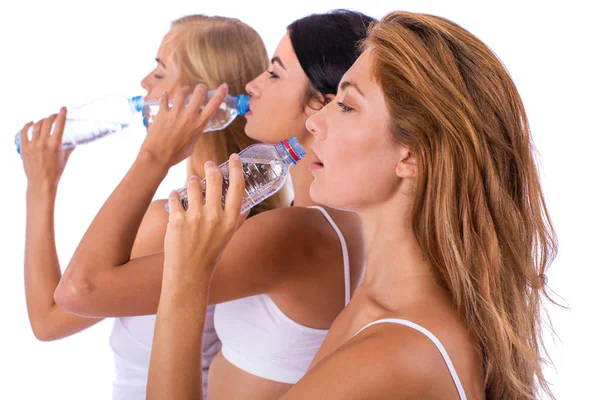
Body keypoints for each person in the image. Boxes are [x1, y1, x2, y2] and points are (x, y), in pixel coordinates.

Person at [147, 10, 558, 400]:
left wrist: (186, 277)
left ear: (411, 156)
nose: (315, 122)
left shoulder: (396, 351)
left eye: (346, 106)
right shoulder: (374, 304)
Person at [55, 9, 376, 400]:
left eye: (274, 73)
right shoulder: (335, 220)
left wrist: (154, 157)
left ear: (320, 106)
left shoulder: (294, 233)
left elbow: (79, 291)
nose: (253, 85)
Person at [18, 14, 282, 400]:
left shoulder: (174, 221)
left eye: (160, 72)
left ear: (206, 100)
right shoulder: (258, 201)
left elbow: (48, 320)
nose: (144, 84)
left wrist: (41, 187)